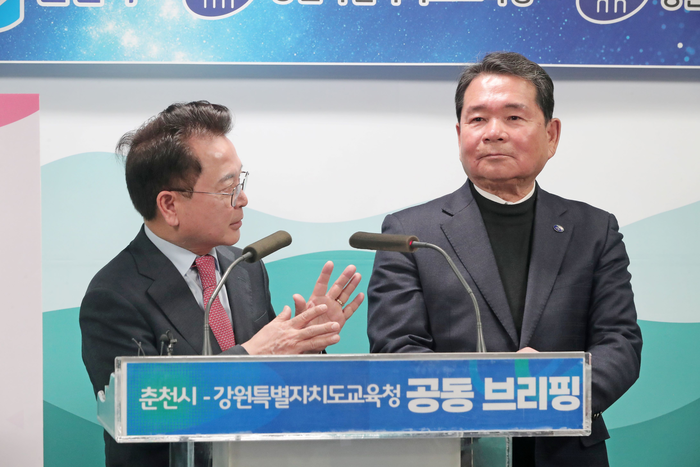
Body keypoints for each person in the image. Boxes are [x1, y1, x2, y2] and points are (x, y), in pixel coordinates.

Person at [367, 52, 642, 467]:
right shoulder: (410, 233)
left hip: (565, 451)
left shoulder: (593, 229)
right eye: (478, 119)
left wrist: (554, 389)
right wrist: (493, 394)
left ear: (551, 134)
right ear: (459, 133)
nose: (493, 133)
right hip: (455, 451)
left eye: (513, 117)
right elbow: (397, 350)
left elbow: (619, 343)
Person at [80, 101, 364, 467]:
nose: (242, 199)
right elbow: (145, 412)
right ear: (169, 205)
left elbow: (269, 388)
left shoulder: (244, 267)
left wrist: (304, 347)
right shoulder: (114, 296)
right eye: (228, 187)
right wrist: (251, 356)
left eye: (240, 182)